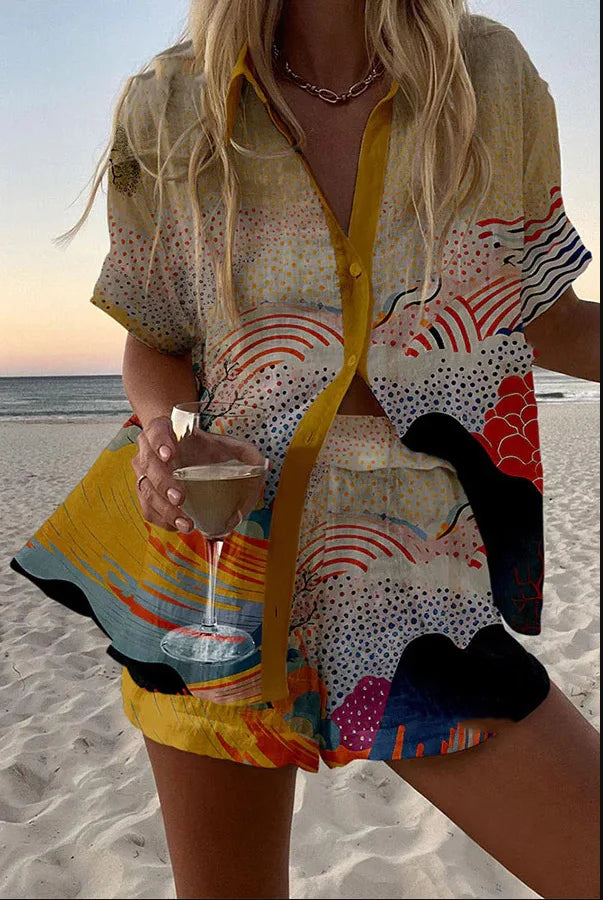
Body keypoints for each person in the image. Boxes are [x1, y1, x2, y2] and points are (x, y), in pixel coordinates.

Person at [11, 1, 600, 898]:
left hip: (422, 577)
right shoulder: (171, 101)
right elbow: (155, 338)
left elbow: (547, 318)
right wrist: (165, 435)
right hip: (217, 576)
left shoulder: (489, 78)